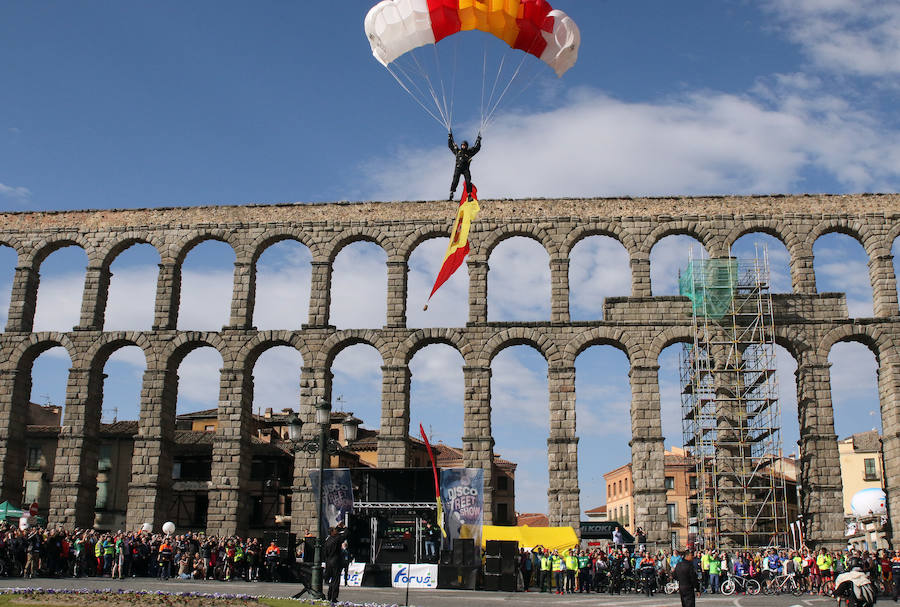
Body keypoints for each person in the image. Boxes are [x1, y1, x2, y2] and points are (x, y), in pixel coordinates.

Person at [447, 131, 481, 200]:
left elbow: (476, 148)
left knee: (468, 181)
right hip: (458, 168)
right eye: (462, 145)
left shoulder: (469, 152)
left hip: (465, 169)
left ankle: (469, 195)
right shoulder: (457, 151)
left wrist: (478, 140)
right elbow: (450, 146)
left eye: (464, 145)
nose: (463, 146)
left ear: (466, 146)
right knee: (455, 180)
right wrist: (450, 137)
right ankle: (452, 193)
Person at [323, 522, 350, 603]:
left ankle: (329, 596)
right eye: (335, 530)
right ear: (333, 532)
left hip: (328, 561)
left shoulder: (328, 540)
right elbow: (346, 534)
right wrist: (344, 527)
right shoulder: (337, 539)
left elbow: (325, 553)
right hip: (336, 561)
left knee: (331, 580)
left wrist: (337, 527)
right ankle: (334, 597)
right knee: (336, 580)